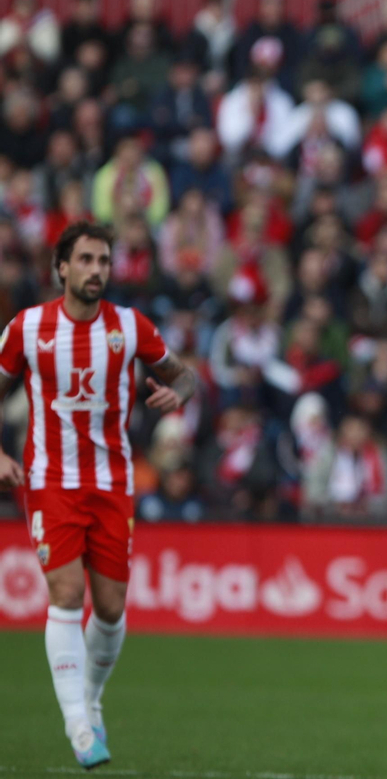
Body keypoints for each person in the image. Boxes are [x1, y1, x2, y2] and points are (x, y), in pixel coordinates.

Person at [0, 222, 198, 768]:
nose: (96, 270)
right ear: (62, 268)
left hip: (112, 483)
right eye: (86, 260)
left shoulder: (131, 328)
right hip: (50, 481)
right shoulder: (28, 328)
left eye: (104, 261)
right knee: (66, 593)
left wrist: (176, 395)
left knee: (109, 610)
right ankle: (79, 729)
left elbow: (187, 376)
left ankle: (91, 699)